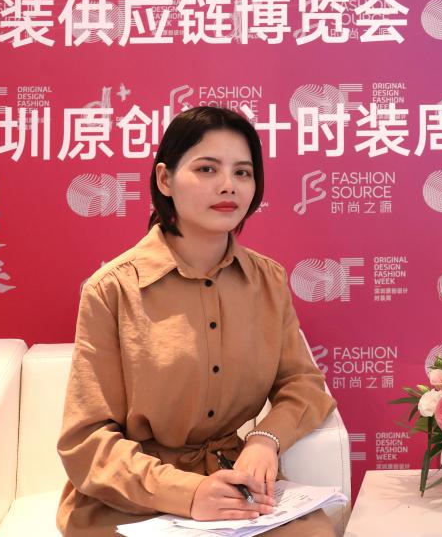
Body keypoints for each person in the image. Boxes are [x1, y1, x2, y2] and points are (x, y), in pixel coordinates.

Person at [57, 106, 338, 537]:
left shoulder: (267, 280)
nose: (228, 185)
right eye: (207, 168)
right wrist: (188, 494)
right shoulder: (112, 289)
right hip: (136, 498)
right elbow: (86, 441)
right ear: (165, 179)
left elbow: (302, 383)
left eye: (243, 172)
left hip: (235, 486)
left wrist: (266, 439)